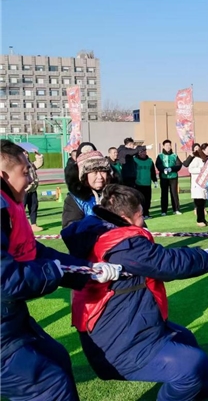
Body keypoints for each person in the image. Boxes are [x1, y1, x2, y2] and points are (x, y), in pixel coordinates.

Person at [60, 184, 208, 400]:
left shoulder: (102, 231)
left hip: (125, 327)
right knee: (190, 366)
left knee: (185, 338)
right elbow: (166, 264)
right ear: (124, 217)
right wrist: (205, 257)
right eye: (140, 215)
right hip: (117, 346)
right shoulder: (122, 246)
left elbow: (157, 257)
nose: (143, 219)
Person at [1, 139, 120, 401]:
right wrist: (53, 271)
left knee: (56, 357)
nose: (30, 179)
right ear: (3, 175)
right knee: (50, 385)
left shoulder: (8, 205)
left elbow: (33, 251)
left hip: (11, 320)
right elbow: (6, 280)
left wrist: (89, 270)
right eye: (25, 172)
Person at [62, 150, 113, 228]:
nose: (100, 177)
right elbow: (71, 229)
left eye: (103, 171)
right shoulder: (75, 200)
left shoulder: (117, 195)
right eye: (94, 172)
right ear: (84, 176)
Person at [155, 140, 182, 216]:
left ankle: (176, 209)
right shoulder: (160, 156)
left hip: (173, 177)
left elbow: (179, 164)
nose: (168, 147)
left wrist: (171, 169)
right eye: (166, 145)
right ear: (163, 146)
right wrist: (163, 169)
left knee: (174, 193)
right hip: (164, 177)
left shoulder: (174, 155)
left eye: (169, 145)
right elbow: (158, 164)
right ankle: (164, 210)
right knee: (164, 194)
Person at [188, 143, 208, 227]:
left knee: (203, 203)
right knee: (199, 203)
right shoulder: (197, 159)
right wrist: (200, 169)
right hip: (197, 185)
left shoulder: (207, 159)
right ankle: (199, 220)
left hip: (204, 184)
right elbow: (190, 169)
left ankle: (203, 220)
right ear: (203, 150)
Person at [133, 147, 157, 219]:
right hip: (138, 184)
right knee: (140, 201)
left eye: (144, 152)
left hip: (147, 183)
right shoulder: (135, 160)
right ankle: (140, 215)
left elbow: (152, 171)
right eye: (141, 152)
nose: (143, 153)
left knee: (147, 200)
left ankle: (146, 214)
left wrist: (155, 180)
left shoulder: (149, 161)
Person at [23, 149, 44, 232]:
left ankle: (33, 224)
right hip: (24, 191)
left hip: (32, 189)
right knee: (21, 209)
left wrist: (38, 155)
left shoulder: (30, 164)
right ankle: (19, 226)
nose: (26, 155)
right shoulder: (18, 164)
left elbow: (39, 163)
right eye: (24, 153)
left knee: (33, 207)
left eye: (27, 153)